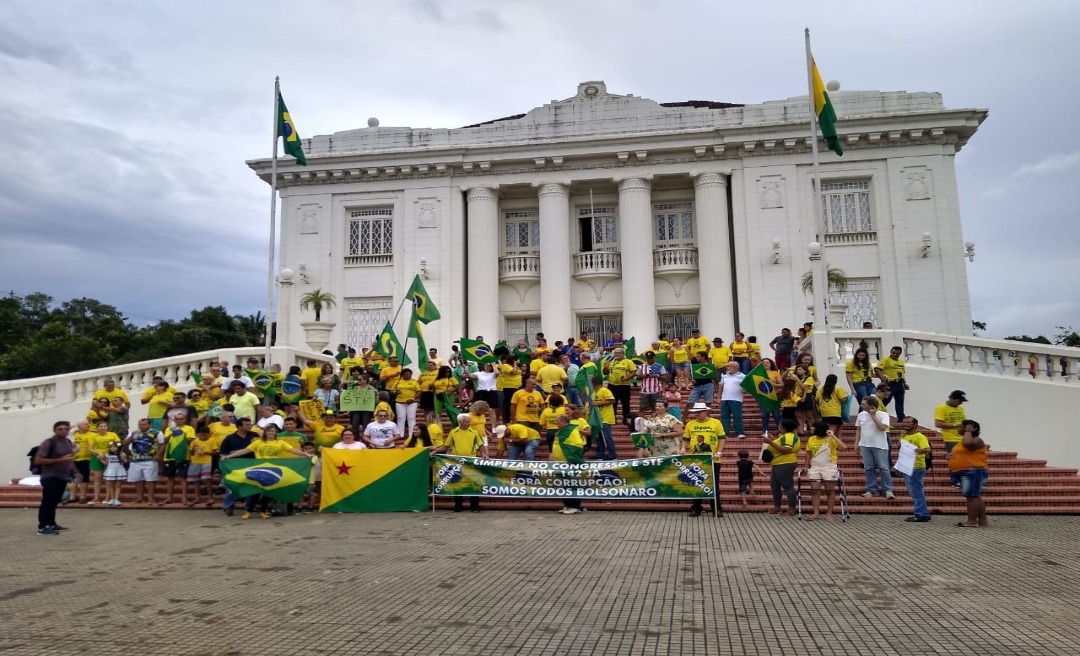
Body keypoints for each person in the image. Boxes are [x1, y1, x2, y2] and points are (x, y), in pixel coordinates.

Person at [222, 424, 307, 519]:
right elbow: (245, 450)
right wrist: (229, 456)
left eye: (272, 431)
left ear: (276, 433)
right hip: (259, 470)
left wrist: (306, 454)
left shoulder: (280, 442)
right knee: (256, 491)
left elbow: (293, 450)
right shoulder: (258, 442)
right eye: (268, 431)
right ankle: (248, 512)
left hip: (272, 470)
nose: (270, 433)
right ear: (265, 433)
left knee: (268, 492)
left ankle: (263, 511)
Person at [682, 402, 725, 517]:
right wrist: (683, 448)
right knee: (696, 482)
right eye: (695, 412)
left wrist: (719, 452)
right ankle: (696, 507)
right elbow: (686, 438)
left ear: (706, 411)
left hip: (712, 459)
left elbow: (722, 438)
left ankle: (716, 508)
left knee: (714, 484)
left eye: (699, 412)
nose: (697, 414)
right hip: (695, 459)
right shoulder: (690, 424)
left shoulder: (716, 423)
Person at [34, 421, 75, 535]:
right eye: (60, 429)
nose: (63, 431)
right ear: (54, 430)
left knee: (54, 501)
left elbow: (69, 459)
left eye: (66, 429)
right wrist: (60, 460)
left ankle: (51, 524)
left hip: (62, 476)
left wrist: (75, 472)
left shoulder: (67, 442)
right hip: (50, 476)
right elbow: (38, 460)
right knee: (47, 501)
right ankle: (43, 526)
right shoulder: (48, 443)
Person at [949, 419, 990, 528]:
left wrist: (968, 431)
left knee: (972, 497)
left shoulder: (977, 440)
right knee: (975, 496)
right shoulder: (962, 440)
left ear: (973, 429)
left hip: (972, 471)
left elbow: (968, 444)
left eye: (962, 427)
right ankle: (982, 521)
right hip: (965, 471)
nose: (958, 429)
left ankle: (972, 521)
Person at [802, 421, 845, 521]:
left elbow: (843, 447)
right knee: (815, 491)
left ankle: (829, 514)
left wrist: (833, 435)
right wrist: (806, 466)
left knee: (829, 491)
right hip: (815, 466)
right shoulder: (811, 439)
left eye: (813, 427)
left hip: (829, 467)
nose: (811, 429)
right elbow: (808, 453)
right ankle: (815, 513)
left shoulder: (830, 439)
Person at [855, 396, 894, 499]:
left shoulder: (883, 415)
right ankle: (871, 489)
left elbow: (882, 428)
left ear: (871, 406)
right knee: (868, 468)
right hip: (865, 445)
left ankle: (887, 489)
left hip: (880, 445)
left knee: (883, 467)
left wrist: (873, 416)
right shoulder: (861, 415)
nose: (861, 406)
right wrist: (856, 443)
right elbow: (858, 430)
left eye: (864, 404)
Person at [446, 414, 486, 512]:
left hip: (471, 461)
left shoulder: (474, 432)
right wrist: (435, 451)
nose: (469, 423)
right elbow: (446, 445)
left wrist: (484, 454)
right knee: (457, 483)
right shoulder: (453, 432)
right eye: (467, 421)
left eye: (469, 421)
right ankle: (458, 505)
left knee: (474, 483)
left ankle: (475, 506)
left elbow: (481, 445)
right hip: (457, 461)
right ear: (460, 422)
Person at [897, 416, 932, 522]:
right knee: (914, 491)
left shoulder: (920, 436)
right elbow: (900, 447)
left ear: (915, 424)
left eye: (908, 422)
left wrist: (918, 450)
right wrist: (901, 438)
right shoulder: (904, 435)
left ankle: (921, 514)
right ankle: (922, 512)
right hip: (906, 466)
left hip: (916, 467)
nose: (905, 424)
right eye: (904, 422)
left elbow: (928, 450)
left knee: (917, 491)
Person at [218, 418, 255, 516]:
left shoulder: (255, 436)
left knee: (250, 486)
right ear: (239, 426)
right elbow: (223, 454)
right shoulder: (229, 438)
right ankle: (228, 506)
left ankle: (248, 507)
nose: (250, 426)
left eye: (250, 424)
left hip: (251, 465)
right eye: (247, 424)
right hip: (234, 467)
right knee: (232, 487)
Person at [764, 418, 801, 516]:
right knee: (774, 486)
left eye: (780, 425)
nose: (778, 426)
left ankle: (791, 509)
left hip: (785, 463)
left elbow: (786, 450)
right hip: (778, 463)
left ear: (783, 427)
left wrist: (770, 442)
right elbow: (781, 444)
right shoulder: (785, 436)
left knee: (788, 486)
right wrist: (773, 439)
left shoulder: (789, 436)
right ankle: (777, 507)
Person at [551, 414, 587, 515]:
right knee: (565, 485)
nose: (556, 423)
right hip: (560, 463)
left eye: (557, 421)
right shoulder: (562, 431)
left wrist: (572, 459)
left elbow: (577, 445)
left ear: (563, 421)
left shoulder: (571, 431)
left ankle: (575, 506)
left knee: (572, 484)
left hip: (568, 463)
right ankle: (567, 505)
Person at [158, 413, 194, 506]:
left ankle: (184, 498)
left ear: (185, 420)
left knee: (183, 477)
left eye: (181, 419)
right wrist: (172, 432)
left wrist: (180, 432)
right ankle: (169, 498)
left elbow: (189, 441)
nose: (179, 420)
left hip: (183, 456)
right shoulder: (169, 428)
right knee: (170, 477)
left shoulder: (189, 428)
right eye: (177, 419)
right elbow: (165, 441)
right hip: (170, 456)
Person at [123, 418, 160, 505]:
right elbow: (125, 443)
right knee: (137, 480)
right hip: (136, 460)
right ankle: (139, 498)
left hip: (149, 459)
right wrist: (132, 436)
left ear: (149, 425)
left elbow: (162, 444)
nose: (141, 426)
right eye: (140, 424)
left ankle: (151, 499)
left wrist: (158, 455)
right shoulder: (134, 433)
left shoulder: (157, 433)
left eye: (144, 424)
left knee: (150, 480)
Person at [88, 420, 119, 504]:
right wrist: (99, 453)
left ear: (107, 427)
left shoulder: (113, 435)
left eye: (104, 426)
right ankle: (96, 497)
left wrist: (109, 453)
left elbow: (118, 445)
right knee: (97, 478)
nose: (103, 428)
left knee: (108, 478)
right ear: (97, 428)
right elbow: (90, 449)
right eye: (101, 426)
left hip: (110, 457)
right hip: (97, 457)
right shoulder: (93, 436)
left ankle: (107, 497)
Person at [874, 345, 910, 420]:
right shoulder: (885, 360)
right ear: (890, 352)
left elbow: (901, 373)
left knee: (900, 401)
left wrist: (904, 383)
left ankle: (901, 417)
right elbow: (877, 369)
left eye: (897, 353)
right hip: (890, 383)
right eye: (893, 353)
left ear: (900, 353)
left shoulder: (901, 362)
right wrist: (883, 380)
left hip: (899, 383)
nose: (895, 355)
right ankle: (877, 413)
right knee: (886, 400)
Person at [187, 425, 217, 507]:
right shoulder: (195, 441)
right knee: (195, 480)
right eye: (201, 435)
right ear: (198, 435)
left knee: (206, 479)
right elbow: (191, 453)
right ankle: (197, 498)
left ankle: (210, 497)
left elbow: (214, 452)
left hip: (207, 462)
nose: (203, 437)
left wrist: (205, 452)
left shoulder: (212, 440)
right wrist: (194, 450)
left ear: (208, 435)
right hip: (195, 462)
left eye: (205, 435)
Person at [603, 348, 636, 424]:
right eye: (615, 353)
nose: (617, 354)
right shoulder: (611, 362)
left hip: (624, 386)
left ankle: (626, 419)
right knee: (613, 403)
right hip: (612, 385)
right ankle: (613, 419)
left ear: (623, 354)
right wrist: (605, 367)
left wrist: (626, 378)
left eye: (619, 353)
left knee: (625, 404)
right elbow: (605, 373)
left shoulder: (628, 362)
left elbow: (634, 372)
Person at [934, 390, 968, 455]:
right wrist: (956, 425)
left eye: (962, 401)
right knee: (955, 457)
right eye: (959, 401)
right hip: (951, 439)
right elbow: (938, 424)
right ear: (951, 398)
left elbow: (964, 421)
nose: (960, 403)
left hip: (963, 438)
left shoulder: (960, 408)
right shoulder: (942, 408)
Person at [718, 360, 746, 439]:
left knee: (737, 416)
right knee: (724, 417)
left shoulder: (743, 376)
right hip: (725, 399)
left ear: (736, 367)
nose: (727, 368)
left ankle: (739, 433)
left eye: (729, 366)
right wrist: (718, 397)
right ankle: (725, 433)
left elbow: (746, 387)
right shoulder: (724, 376)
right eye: (727, 366)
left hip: (736, 399)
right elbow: (720, 387)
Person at [591, 380, 618, 460]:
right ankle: (600, 454)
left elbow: (612, 400)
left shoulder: (604, 390)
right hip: (598, 418)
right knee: (599, 438)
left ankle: (612, 455)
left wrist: (598, 403)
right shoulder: (594, 393)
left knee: (607, 437)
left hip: (605, 418)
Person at [756, 359, 783, 437]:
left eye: (768, 362)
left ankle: (781, 431)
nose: (766, 364)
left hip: (774, 395)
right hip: (762, 396)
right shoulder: (757, 373)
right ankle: (765, 432)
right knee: (764, 415)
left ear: (771, 364)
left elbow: (782, 385)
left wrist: (774, 384)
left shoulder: (775, 373)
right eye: (764, 362)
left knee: (776, 414)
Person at [69, 420, 93, 504]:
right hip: (72, 459)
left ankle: (83, 496)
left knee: (83, 478)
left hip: (86, 459)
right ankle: (72, 496)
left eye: (88, 424)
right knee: (72, 478)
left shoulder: (92, 434)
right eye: (85, 424)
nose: (88, 425)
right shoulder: (73, 434)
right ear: (79, 426)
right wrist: (72, 427)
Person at [393, 368, 421, 437]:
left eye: (410, 374)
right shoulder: (398, 381)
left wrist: (413, 398)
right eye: (406, 374)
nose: (408, 376)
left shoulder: (414, 382)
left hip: (412, 402)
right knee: (400, 418)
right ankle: (400, 434)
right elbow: (392, 391)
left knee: (411, 418)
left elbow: (419, 391)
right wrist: (395, 392)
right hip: (400, 402)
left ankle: (412, 434)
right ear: (402, 375)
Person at [100, 441, 127, 505]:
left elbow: (125, 462)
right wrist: (100, 459)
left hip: (119, 470)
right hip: (110, 471)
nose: (112, 448)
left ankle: (116, 499)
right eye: (111, 447)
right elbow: (106, 463)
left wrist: (123, 458)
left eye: (114, 447)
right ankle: (112, 499)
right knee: (111, 486)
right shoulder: (108, 454)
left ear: (118, 447)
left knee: (118, 485)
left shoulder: (122, 454)